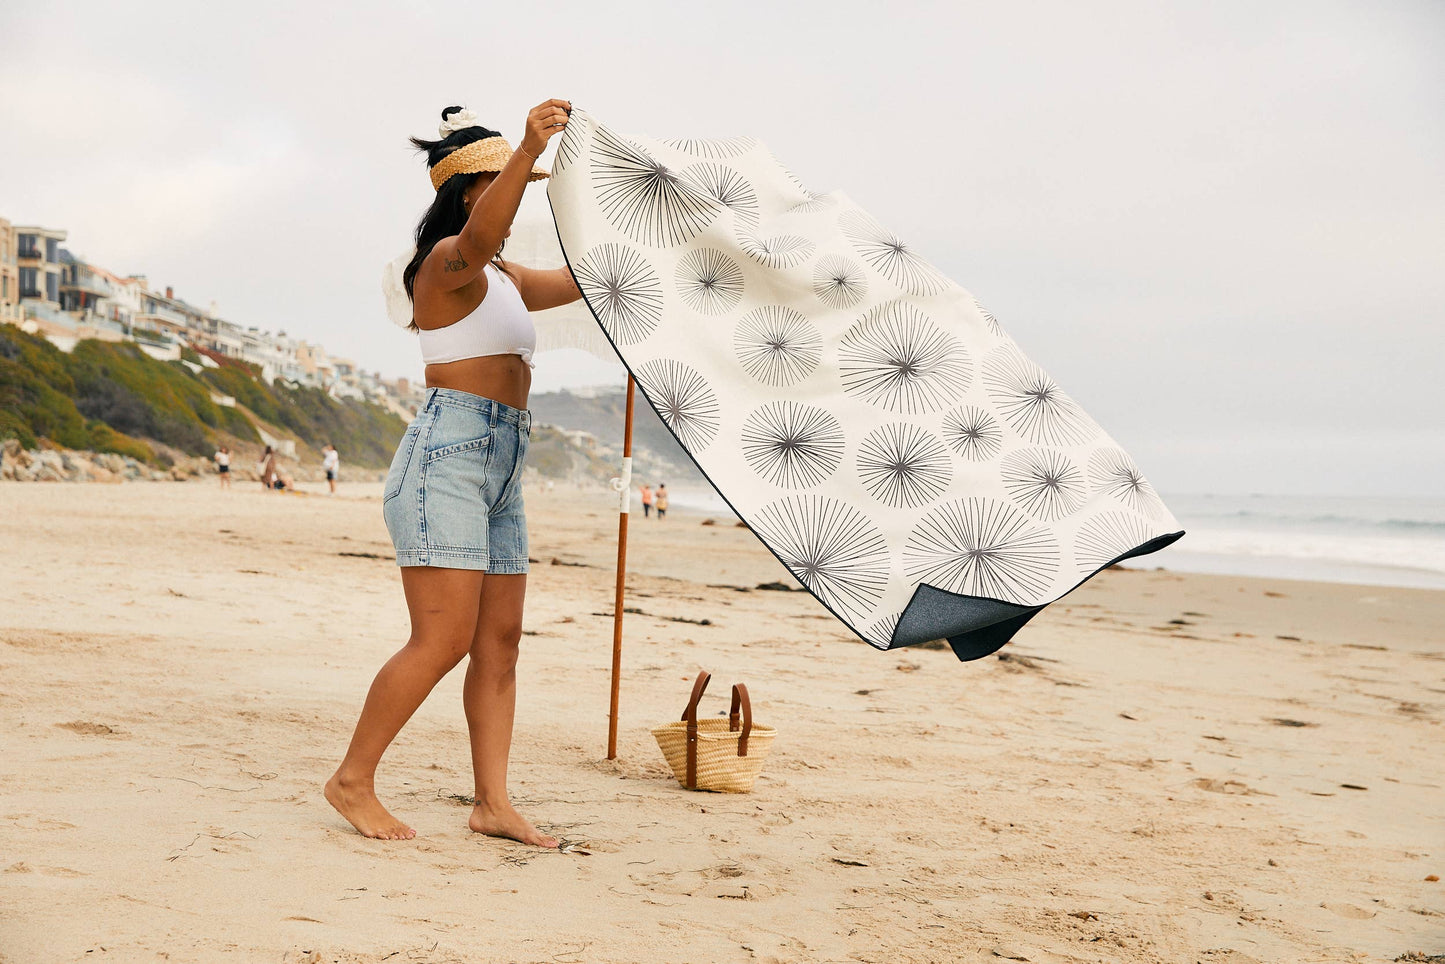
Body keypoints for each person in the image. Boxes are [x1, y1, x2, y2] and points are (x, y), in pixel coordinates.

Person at [327, 101, 582, 845]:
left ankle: (492, 804)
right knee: (441, 639)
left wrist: (654, 241)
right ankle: (351, 780)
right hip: (448, 455)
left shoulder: (502, 274)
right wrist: (528, 146)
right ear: (470, 189)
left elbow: (581, 281)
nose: (521, 183)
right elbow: (481, 234)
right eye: (506, 176)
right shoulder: (447, 262)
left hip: (502, 461)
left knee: (500, 641)